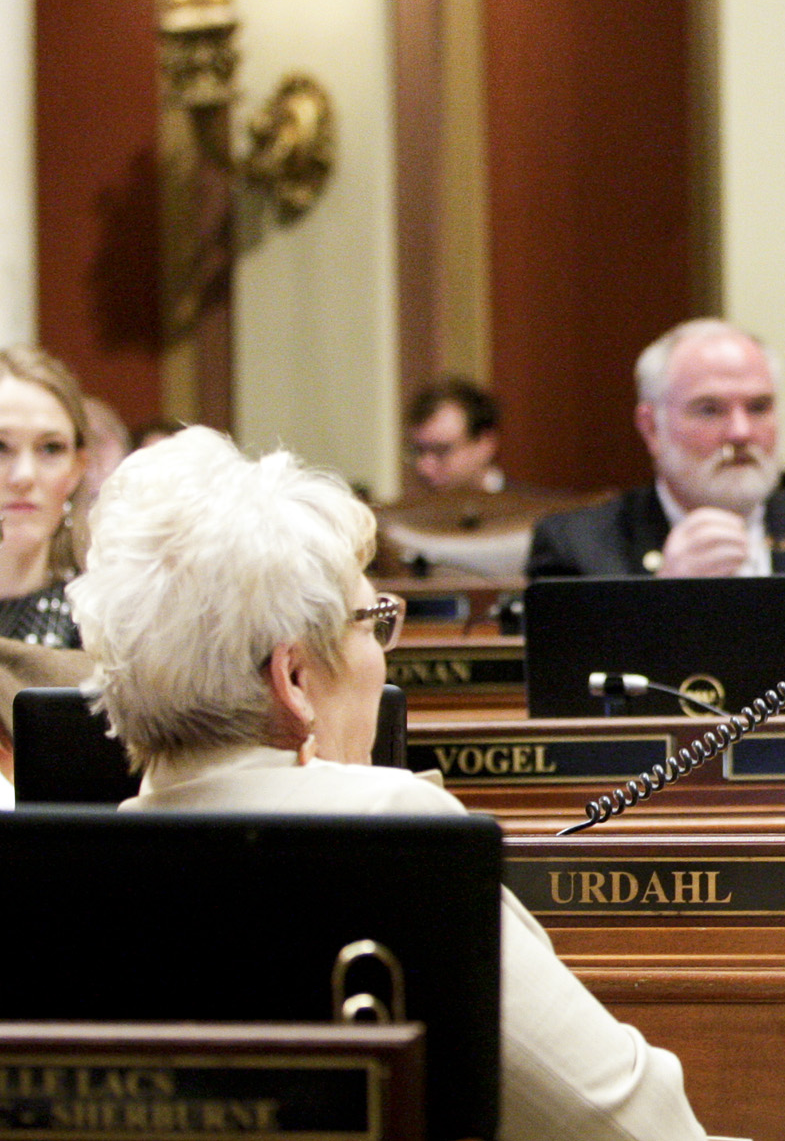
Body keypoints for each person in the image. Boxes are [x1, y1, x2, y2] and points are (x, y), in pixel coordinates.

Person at [70, 428, 715, 1140]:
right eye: (371, 623)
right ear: (292, 679)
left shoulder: (79, 865)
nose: (383, 657)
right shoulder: (387, 834)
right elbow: (630, 1120)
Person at [529, 319, 785, 587]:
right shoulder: (576, 545)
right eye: (709, 409)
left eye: (759, 407)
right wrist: (663, 596)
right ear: (651, 427)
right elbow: (566, 680)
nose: (741, 432)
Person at [0, 346, 92, 649]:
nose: (23, 476)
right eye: (0, 448)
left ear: (77, 469)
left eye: (51, 448)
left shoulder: (104, 628)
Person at [405, 377, 506, 494]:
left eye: (441, 450)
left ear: (484, 444)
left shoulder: (524, 507)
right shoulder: (416, 509)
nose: (423, 469)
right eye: (417, 451)